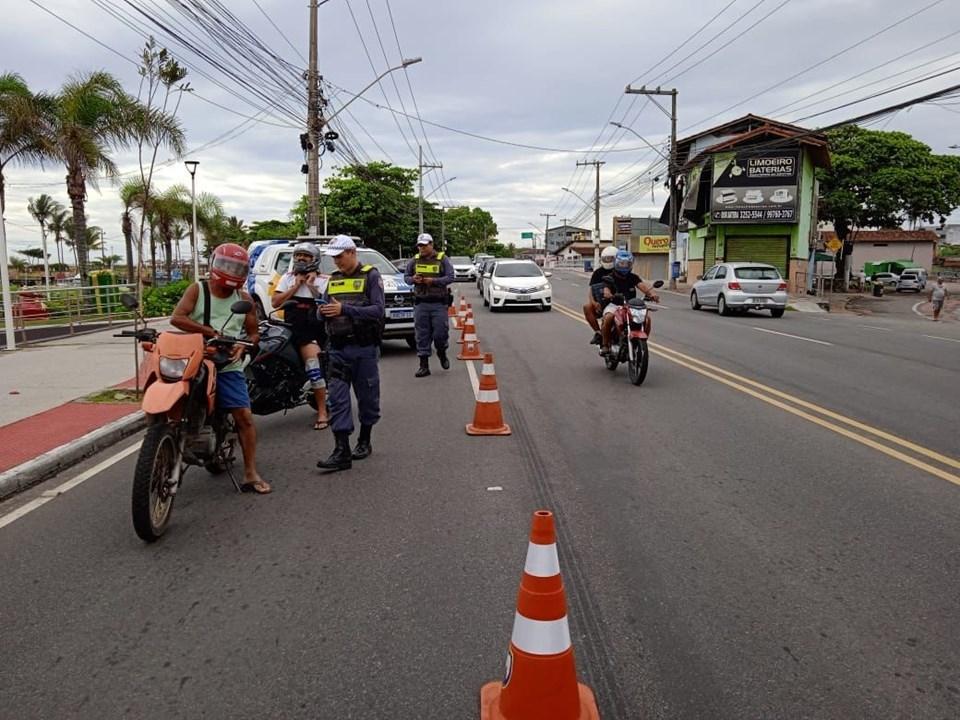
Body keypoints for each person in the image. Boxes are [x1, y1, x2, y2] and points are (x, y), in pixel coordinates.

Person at [170, 243, 270, 494]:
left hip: (227, 363)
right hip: (194, 356)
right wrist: (209, 332)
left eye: (237, 267)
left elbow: (254, 332)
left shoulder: (244, 299)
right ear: (215, 263)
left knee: (244, 417)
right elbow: (177, 317)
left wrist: (243, 347)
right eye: (226, 265)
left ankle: (250, 473)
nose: (230, 271)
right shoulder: (198, 290)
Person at [316, 235, 385, 472]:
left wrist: (344, 309)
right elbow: (323, 307)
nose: (336, 261)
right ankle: (341, 450)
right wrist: (322, 312)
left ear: (352, 252)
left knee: (367, 398)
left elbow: (378, 310)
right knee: (337, 399)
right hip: (337, 348)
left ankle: (364, 440)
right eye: (333, 257)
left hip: (363, 348)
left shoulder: (371, 275)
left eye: (340, 256)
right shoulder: (333, 280)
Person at [272, 242, 330, 430]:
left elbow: (326, 304)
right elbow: (275, 302)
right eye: (298, 255)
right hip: (288, 329)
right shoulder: (287, 278)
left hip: (311, 332)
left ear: (315, 260)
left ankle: (322, 411)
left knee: (313, 366)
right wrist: (295, 286)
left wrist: (311, 285)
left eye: (306, 256)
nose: (301, 259)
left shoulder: (324, 280)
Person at [404, 232, 455, 377]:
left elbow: (451, 277)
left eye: (424, 245)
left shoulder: (442, 259)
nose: (422, 248)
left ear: (431, 245)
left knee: (440, 333)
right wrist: (414, 279)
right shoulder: (414, 260)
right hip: (421, 303)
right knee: (422, 335)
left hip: (438, 303)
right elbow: (406, 277)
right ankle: (424, 365)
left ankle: (441, 352)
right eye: (419, 246)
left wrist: (433, 281)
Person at [599, 250, 660, 356]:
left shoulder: (633, 277)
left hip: (631, 305)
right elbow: (606, 289)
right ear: (616, 263)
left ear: (631, 264)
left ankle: (641, 342)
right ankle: (605, 345)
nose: (624, 266)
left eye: (627, 264)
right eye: (622, 263)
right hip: (614, 304)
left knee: (647, 319)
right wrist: (608, 294)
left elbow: (643, 286)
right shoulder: (611, 277)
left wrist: (652, 293)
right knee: (608, 318)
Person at [583, 246, 618, 344]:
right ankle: (598, 333)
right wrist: (594, 303)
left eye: (610, 258)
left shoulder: (621, 271)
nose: (608, 260)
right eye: (605, 258)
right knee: (587, 307)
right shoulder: (598, 272)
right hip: (602, 303)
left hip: (618, 302)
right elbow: (591, 290)